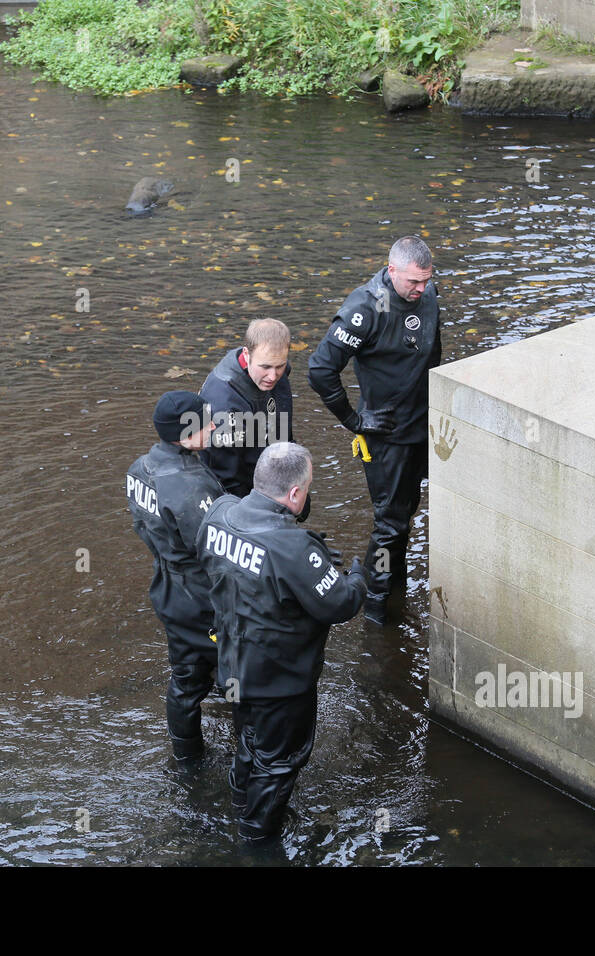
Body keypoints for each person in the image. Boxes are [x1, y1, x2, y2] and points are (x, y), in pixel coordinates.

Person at [197, 442, 367, 843]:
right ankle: (257, 839)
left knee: (249, 741)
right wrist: (357, 577)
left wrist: (309, 560)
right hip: (280, 681)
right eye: (306, 488)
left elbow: (214, 563)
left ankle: (242, 802)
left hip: (232, 666)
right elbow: (340, 604)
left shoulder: (219, 512)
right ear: (294, 494)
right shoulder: (292, 547)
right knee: (279, 762)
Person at [307, 235, 443, 625]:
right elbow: (320, 370)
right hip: (385, 434)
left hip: (422, 424)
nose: (421, 289)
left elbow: (433, 351)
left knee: (405, 515)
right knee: (390, 522)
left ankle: (395, 592)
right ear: (392, 270)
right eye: (413, 282)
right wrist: (354, 420)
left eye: (426, 281)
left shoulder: (428, 293)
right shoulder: (366, 308)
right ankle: (376, 612)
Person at [126, 391, 226, 762]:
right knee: (224, 672)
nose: (214, 426)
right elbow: (216, 549)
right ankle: (229, 758)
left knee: (186, 675)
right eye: (206, 423)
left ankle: (186, 756)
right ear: (184, 433)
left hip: (166, 585)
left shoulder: (141, 466)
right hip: (200, 595)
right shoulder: (188, 483)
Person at [199, 318, 295, 500]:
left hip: (269, 453)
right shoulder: (223, 401)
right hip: (234, 484)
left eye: (280, 366)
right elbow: (227, 477)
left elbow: (283, 434)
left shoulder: (271, 368)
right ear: (247, 354)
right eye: (265, 367)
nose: (273, 376)